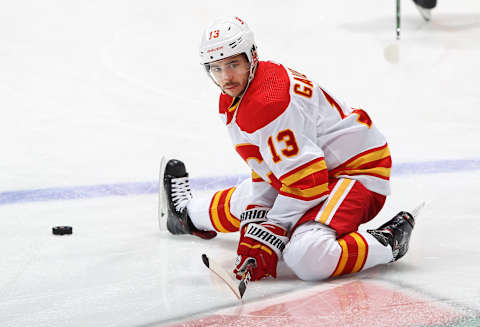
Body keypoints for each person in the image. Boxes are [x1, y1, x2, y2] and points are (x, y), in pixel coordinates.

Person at [159, 16, 416, 282]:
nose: (225, 77)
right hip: (316, 167)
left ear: (252, 56)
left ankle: (386, 243)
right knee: (248, 202)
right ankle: (185, 216)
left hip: (356, 173)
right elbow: (268, 171)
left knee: (305, 256)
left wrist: (271, 229)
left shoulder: (270, 102)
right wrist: (255, 219)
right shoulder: (240, 93)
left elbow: (310, 182)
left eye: (233, 64)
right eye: (216, 67)